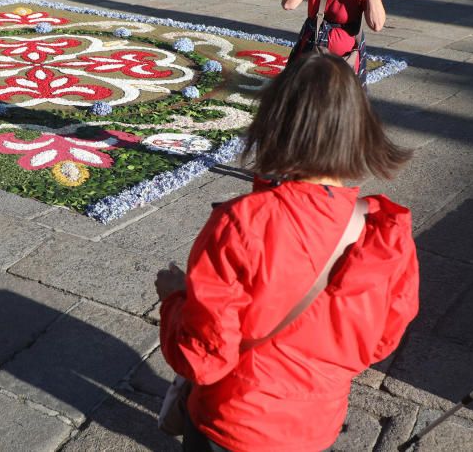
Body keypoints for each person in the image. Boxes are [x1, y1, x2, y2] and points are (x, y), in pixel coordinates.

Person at [155, 52, 418, 452]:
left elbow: (204, 358)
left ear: (274, 124)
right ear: (359, 128)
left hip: (232, 422)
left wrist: (175, 298)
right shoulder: (383, 232)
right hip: (316, 426)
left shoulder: (242, 222)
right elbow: (381, 342)